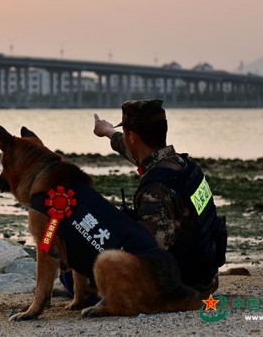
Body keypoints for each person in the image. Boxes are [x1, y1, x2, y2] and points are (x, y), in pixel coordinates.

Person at [92, 98, 226, 295]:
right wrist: (107, 131)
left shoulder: (158, 189)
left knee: (85, 276)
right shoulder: (184, 166)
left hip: (183, 287)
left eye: (128, 135)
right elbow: (133, 151)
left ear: (133, 137)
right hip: (206, 275)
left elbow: (150, 254)